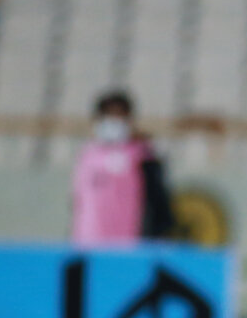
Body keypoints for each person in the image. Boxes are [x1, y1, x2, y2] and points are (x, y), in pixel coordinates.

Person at [71, 90, 174, 244]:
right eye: (109, 115)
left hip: (127, 242)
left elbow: (158, 202)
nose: (114, 121)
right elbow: (77, 202)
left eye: (119, 116)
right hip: (88, 240)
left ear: (129, 119)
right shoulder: (87, 154)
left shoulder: (142, 155)